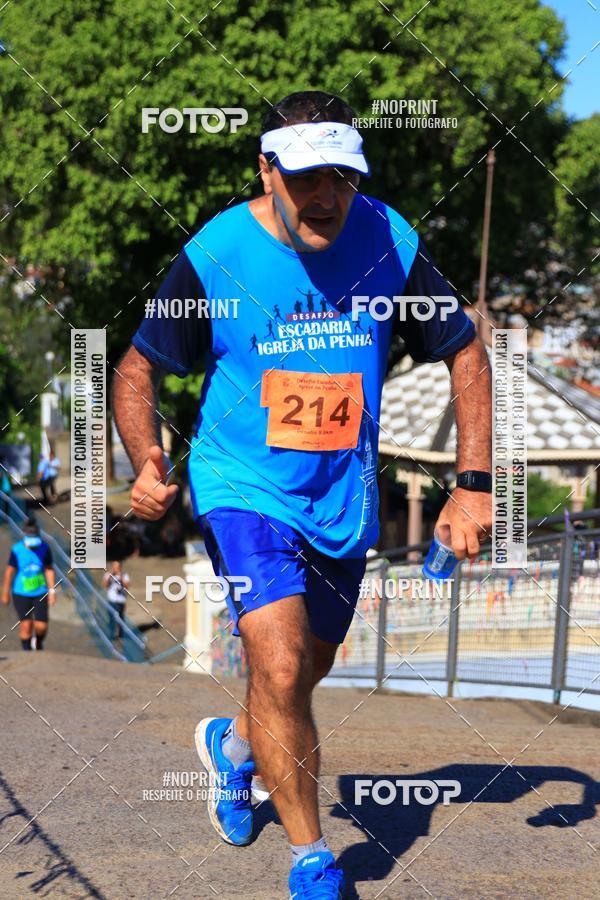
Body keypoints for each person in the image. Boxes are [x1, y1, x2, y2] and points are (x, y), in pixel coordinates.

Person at [112, 91, 493, 898]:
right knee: (279, 664)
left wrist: (473, 487)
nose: (325, 197)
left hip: (341, 498)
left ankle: (234, 745)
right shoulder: (215, 255)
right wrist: (146, 457)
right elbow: (137, 367)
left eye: (341, 179)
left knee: (306, 668)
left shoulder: (389, 239)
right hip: (241, 485)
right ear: (266, 170)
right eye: (306, 177)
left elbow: (466, 352)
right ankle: (313, 861)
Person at [1, 517, 56, 650]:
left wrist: (52, 591)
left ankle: (38, 641)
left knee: (41, 626)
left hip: (40, 592)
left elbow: (49, 569)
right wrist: (5, 593)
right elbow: (9, 572)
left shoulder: (45, 548)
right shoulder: (17, 549)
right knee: (26, 625)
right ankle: (27, 654)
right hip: (21, 593)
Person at [102, 560, 130, 641]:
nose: (115, 568)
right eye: (114, 566)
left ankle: (121, 636)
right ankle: (111, 636)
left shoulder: (125, 575)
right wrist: (110, 576)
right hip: (112, 600)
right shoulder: (108, 575)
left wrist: (120, 576)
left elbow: (127, 586)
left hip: (121, 601)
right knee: (111, 619)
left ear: (120, 567)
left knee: (121, 619)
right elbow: (104, 585)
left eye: (117, 566)